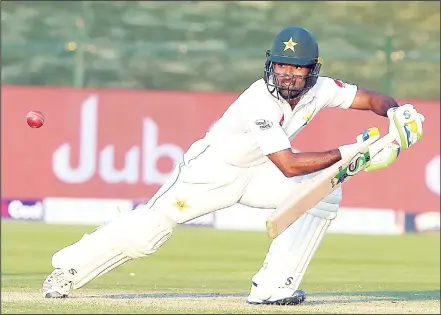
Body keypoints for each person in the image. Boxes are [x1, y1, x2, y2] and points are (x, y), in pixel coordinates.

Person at [42, 26, 424, 305]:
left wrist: (396, 111)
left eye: (298, 68)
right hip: (210, 174)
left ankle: (274, 287)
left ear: (313, 69)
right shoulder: (258, 101)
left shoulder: (322, 89)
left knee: (323, 197)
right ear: (270, 65)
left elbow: (371, 97)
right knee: (148, 234)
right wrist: (352, 152)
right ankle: (69, 269)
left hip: (259, 173)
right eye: (281, 67)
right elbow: (290, 166)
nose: (288, 75)